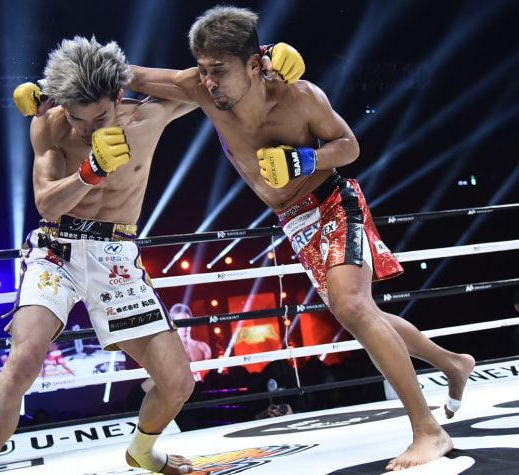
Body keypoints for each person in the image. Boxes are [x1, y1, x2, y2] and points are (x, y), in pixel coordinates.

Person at [125, 6, 477, 470]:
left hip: (332, 203)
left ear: (255, 63)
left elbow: (349, 145)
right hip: (293, 220)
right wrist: (58, 84)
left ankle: (429, 430)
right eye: (203, 69)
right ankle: (452, 363)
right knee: (361, 313)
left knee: (353, 307)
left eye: (219, 70)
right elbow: (131, 74)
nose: (208, 81)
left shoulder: (300, 95)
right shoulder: (201, 88)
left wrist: (302, 160)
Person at [0, 36, 200, 475]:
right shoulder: (49, 125)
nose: (88, 128)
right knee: (24, 360)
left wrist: (262, 65)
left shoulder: (147, 116)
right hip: (57, 248)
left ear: (119, 97)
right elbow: (47, 205)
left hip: (116, 255)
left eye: (99, 117)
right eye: (78, 117)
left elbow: (203, 86)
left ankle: (143, 452)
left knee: (177, 382)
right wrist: (90, 172)